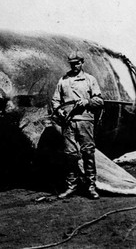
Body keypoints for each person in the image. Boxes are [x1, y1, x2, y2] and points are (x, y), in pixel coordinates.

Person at [51, 51, 104, 199]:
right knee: (70, 155)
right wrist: (60, 111)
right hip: (68, 122)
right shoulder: (63, 80)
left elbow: (99, 101)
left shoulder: (89, 80)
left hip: (85, 121)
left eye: (77, 63)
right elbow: (55, 101)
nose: (75, 66)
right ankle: (71, 186)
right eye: (72, 64)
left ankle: (91, 187)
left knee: (88, 153)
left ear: (82, 63)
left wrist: (87, 102)